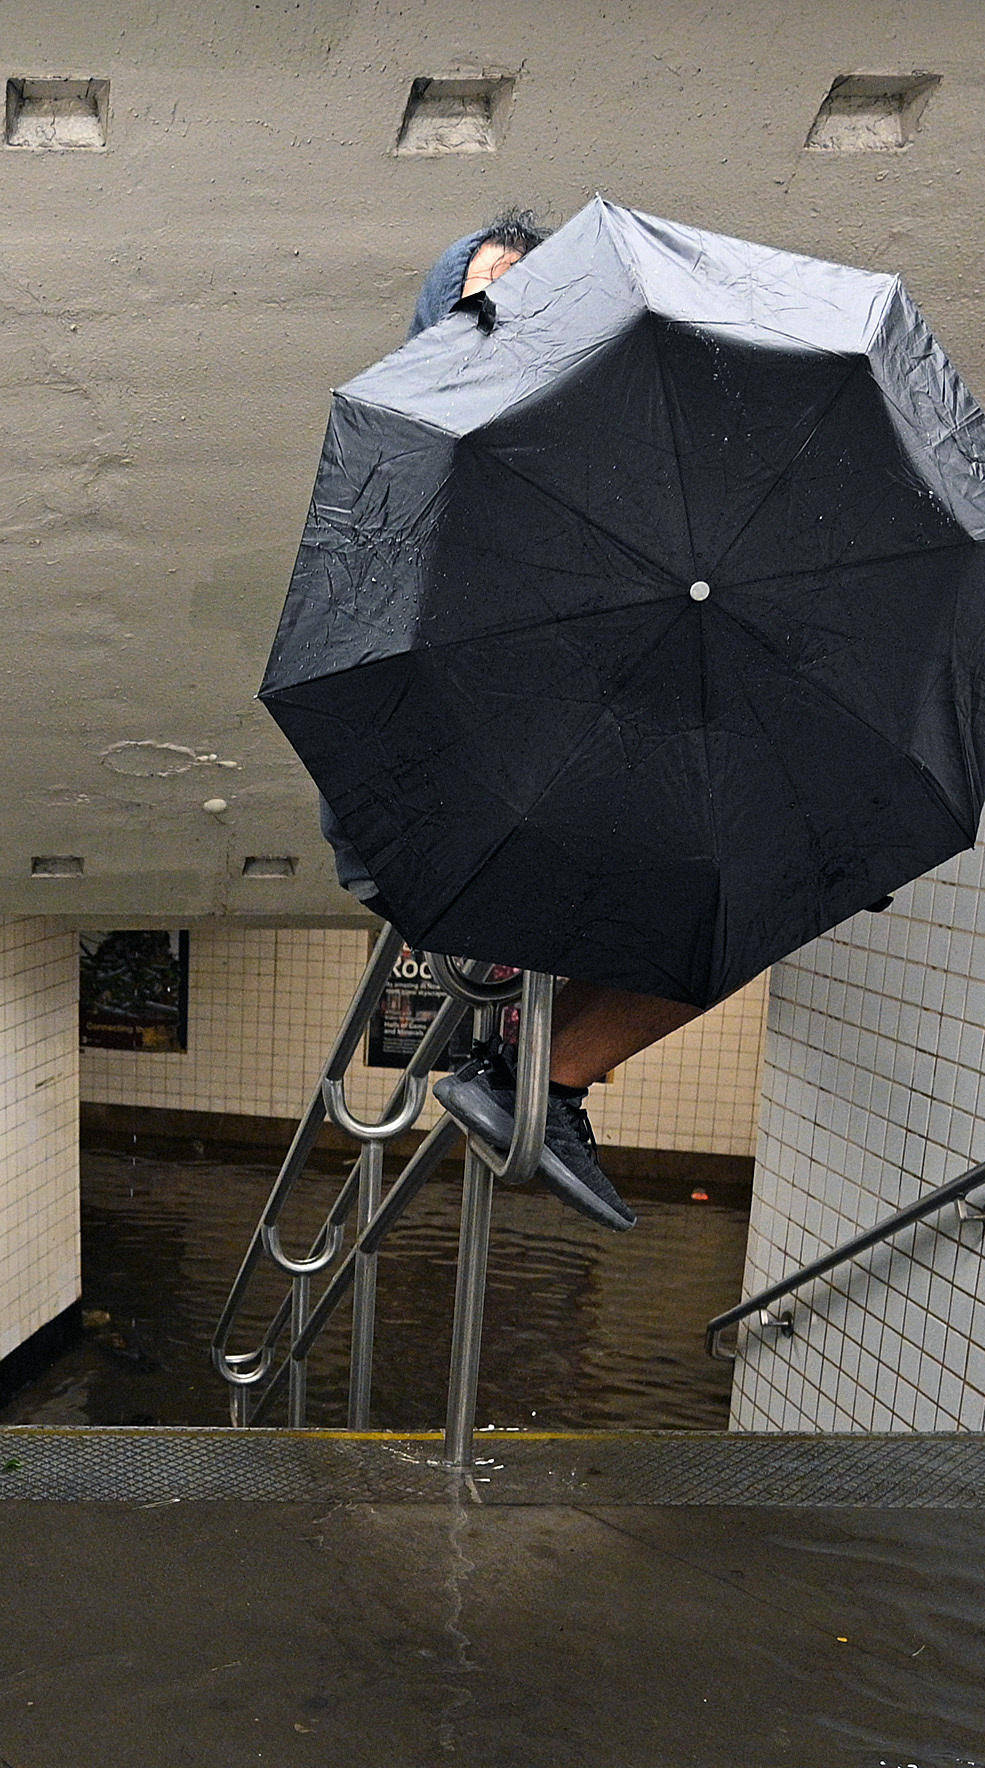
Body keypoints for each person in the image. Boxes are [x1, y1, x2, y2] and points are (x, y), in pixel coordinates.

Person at [380, 214, 709, 1233]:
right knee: (716, 891)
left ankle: (538, 1073)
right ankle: (540, 1071)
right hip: (467, 793)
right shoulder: (419, 459)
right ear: (446, 321)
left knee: (759, 889)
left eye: (536, 296)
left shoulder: (605, 457)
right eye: (487, 298)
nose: (511, 318)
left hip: (578, 763)